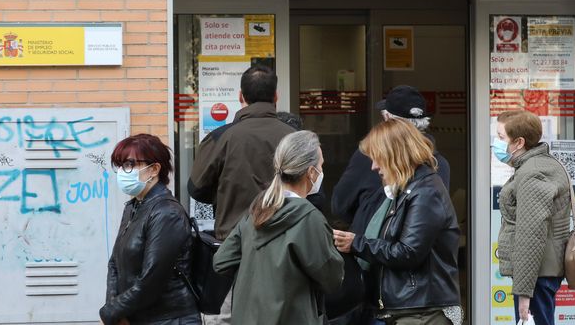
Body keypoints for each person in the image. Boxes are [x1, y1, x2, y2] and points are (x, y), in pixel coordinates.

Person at [331, 86, 452, 324]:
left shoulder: (424, 189)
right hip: (394, 295)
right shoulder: (435, 169)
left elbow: (408, 250)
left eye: (377, 159)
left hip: (406, 301)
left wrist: (357, 241)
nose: (374, 167)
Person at [188, 65, 295, 324]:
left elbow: (196, 188)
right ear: (276, 97)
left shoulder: (221, 137)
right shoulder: (295, 138)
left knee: (229, 316)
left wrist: (224, 193)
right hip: (286, 247)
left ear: (240, 97)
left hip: (234, 247)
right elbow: (312, 191)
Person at [213, 130, 344, 325]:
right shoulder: (309, 218)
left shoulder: (256, 211)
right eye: (320, 166)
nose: (321, 172)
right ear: (310, 172)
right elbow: (332, 278)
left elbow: (221, 261)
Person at [100, 134, 201, 325]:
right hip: (137, 316)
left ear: (154, 169)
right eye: (120, 165)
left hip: (169, 319)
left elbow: (151, 280)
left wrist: (109, 312)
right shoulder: (133, 207)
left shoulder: (167, 213)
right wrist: (116, 311)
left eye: (129, 164)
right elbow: (115, 263)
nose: (123, 171)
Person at [494, 110, 570, 325]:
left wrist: (524, 293)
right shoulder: (535, 165)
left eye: (500, 138)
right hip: (539, 274)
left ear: (518, 142)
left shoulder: (532, 172)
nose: (496, 144)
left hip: (536, 277)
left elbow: (531, 234)